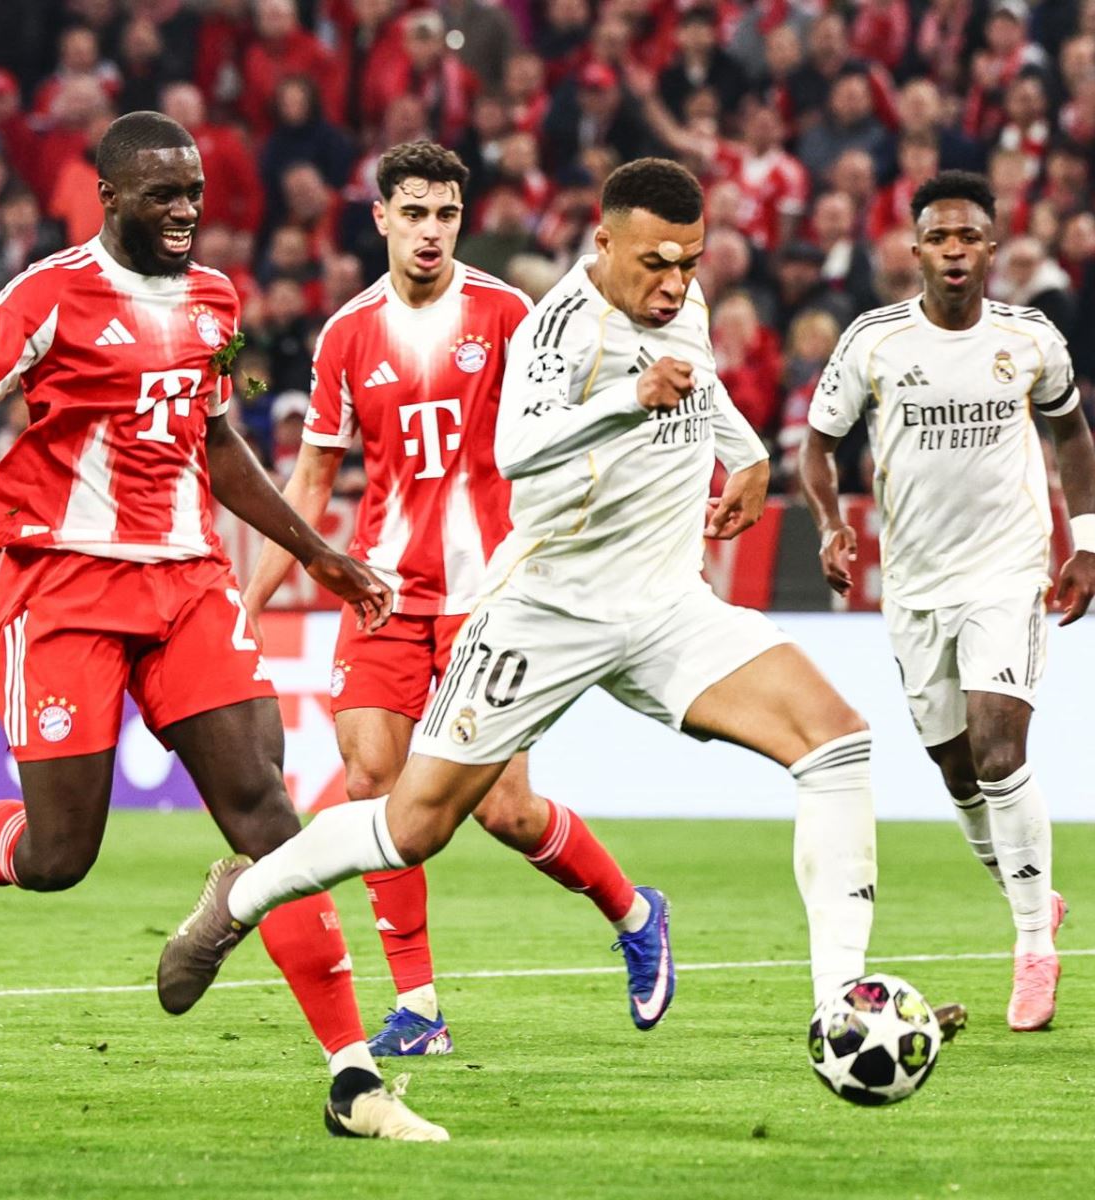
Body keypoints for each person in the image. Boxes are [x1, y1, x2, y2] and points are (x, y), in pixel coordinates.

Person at [159, 160, 966, 1129]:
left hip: (666, 608)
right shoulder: (556, 328)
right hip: (546, 611)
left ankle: (840, 1004)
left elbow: (698, 382)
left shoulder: (681, 302)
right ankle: (244, 897)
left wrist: (747, 455)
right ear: (604, 243)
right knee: (409, 824)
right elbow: (518, 448)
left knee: (836, 743)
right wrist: (630, 399)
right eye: (655, 263)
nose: (674, 283)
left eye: (689, 262)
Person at [0, 113, 439, 1142]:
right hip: (64, 585)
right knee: (58, 855)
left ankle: (353, 1078)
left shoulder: (216, 300)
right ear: (110, 197)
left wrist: (318, 553)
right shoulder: (45, 293)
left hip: (187, 584)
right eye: (164, 193)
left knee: (267, 814)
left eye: (194, 191)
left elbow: (218, 444)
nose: (185, 210)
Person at [240, 141, 667, 1057]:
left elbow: (577, 430)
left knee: (506, 809)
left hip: (492, 598)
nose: (431, 231)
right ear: (381, 219)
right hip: (383, 592)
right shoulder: (347, 334)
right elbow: (311, 479)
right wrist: (251, 602)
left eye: (446, 215)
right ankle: (420, 1009)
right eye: (414, 214)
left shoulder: (509, 315)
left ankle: (634, 913)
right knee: (369, 782)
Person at [798, 170, 1095, 1033]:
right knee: (957, 770)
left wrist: (1086, 540)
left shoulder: (1029, 338)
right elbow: (817, 447)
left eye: (969, 236)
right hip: (914, 585)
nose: (955, 251)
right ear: (916, 250)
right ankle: (1030, 889)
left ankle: (1033, 946)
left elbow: (1071, 432)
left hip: (1007, 572)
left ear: (992, 248)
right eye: (939, 238)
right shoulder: (873, 342)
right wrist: (830, 524)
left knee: (1000, 751)